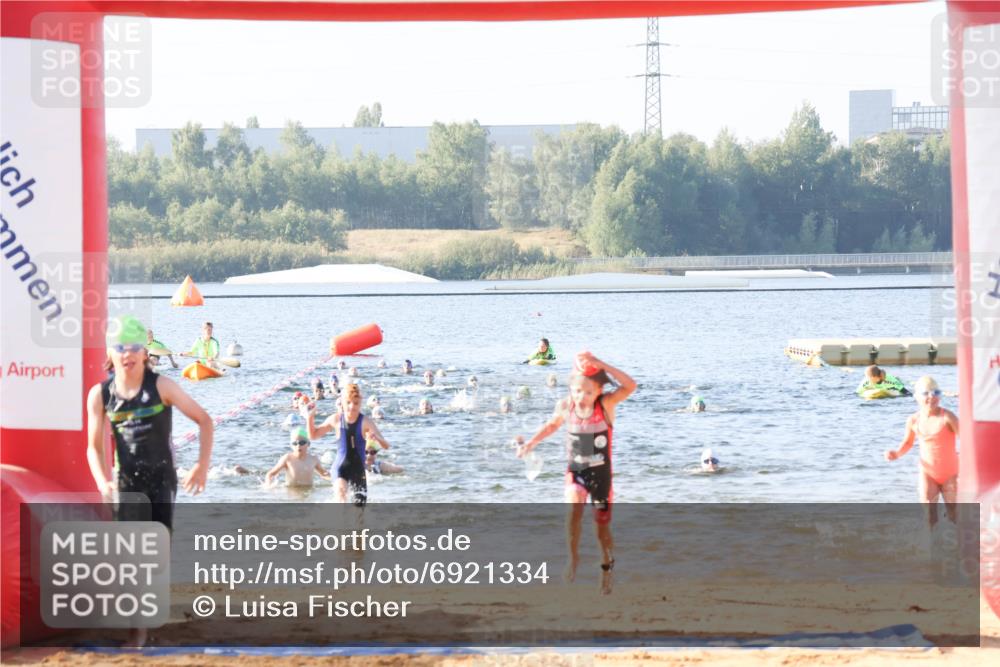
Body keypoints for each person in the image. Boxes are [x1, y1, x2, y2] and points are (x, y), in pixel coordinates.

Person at [87, 316, 213, 646]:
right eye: (119, 348)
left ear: (145, 352)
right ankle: (138, 633)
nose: (127, 355)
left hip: (161, 481)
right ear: (110, 354)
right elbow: (93, 448)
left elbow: (204, 420)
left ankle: (148, 614)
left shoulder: (161, 387)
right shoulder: (100, 395)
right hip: (127, 483)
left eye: (133, 348)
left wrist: (201, 465)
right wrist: (103, 482)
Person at [516, 352, 636, 594]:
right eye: (577, 391)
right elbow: (552, 425)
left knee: (600, 529)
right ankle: (573, 558)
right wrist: (531, 443)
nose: (582, 397)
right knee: (573, 510)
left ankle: (606, 566)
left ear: (599, 392)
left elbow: (630, 385)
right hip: (577, 471)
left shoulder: (606, 405)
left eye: (589, 392)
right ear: (570, 388)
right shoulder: (565, 406)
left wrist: (602, 364)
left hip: (601, 476)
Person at [884, 376, 959, 530]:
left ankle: (958, 548)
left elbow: (966, 439)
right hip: (928, 473)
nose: (932, 396)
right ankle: (930, 549)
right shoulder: (913, 420)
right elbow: (908, 443)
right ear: (917, 397)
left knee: (954, 515)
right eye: (926, 393)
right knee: (929, 517)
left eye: (936, 392)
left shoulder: (947, 417)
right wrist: (896, 454)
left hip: (951, 473)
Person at [302, 383, 390, 506]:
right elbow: (313, 436)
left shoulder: (365, 421)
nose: (352, 406)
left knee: (359, 513)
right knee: (341, 493)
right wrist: (309, 418)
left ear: (360, 403)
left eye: (356, 403)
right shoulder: (336, 419)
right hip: (340, 467)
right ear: (342, 402)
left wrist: (378, 439)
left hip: (358, 470)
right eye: (348, 402)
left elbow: (386, 445)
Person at [265, 428, 330, 487]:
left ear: (308, 444)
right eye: (295, 443)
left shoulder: (313, 459)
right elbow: (270, 474)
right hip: (292, 492)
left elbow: (324, 474)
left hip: (309, 492)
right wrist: (269, 485)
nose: (298, 445)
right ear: (291, 446)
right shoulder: (287, 458)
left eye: (302, 442)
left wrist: (336, 479)